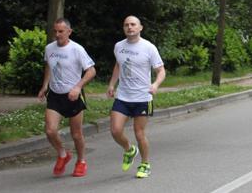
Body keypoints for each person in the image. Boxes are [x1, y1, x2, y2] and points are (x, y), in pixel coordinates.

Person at [107, 15, 166, 178]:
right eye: (126, 25)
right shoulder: (119, 46)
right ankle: (129, 149)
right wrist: (112, 84)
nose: (130, 27)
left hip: (142, 97)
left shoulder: (149, 47)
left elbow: (161, 71)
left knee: (139, 133)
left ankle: (145, 163)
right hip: (123, 96)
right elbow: (118, 65)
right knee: (115, 130)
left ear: (140, 28)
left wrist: (155, 85)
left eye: (133, 24)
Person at [37, 18, 96, 177]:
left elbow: (91, 71)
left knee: (76, 134)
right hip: (55, 95)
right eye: (55, 31)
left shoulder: (77, 49)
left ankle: (81, 161)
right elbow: (49, 66)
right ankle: (63, 154)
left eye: (61, 31)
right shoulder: (49, 49)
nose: (57, 34)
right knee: (50, 131)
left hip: (73, 96)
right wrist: (45, 86)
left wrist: (78, 87)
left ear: (69, 32)